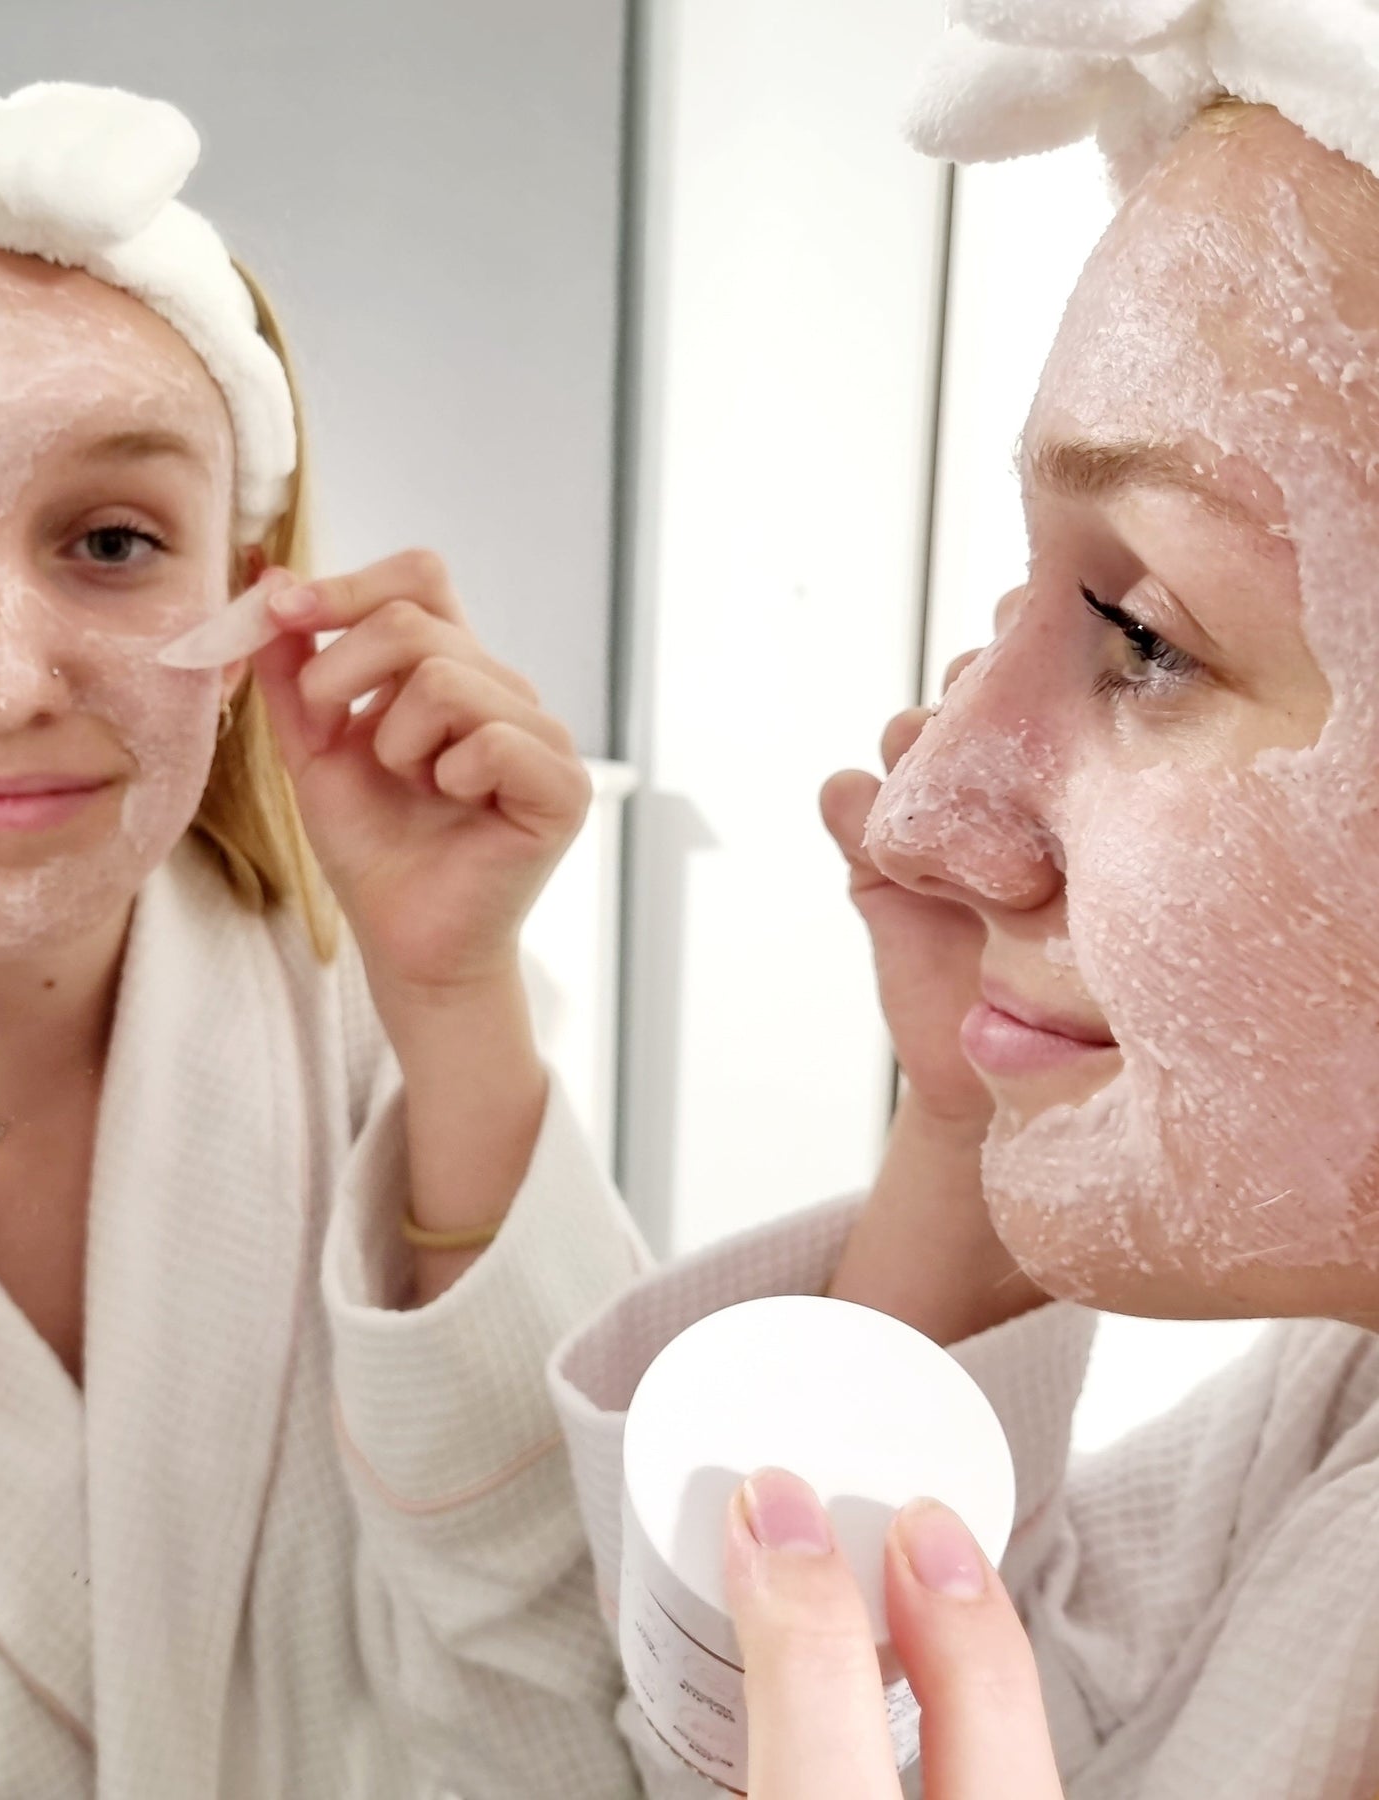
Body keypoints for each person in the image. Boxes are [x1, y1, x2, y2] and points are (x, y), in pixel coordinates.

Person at [0, 59, 654, 1800]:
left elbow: (585, 1731)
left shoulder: (380, 1034)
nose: (9, 682)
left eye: (111, 538)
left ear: (244, 604)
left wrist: (457, 1010)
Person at [549, 5, 1379, 1797]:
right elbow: (977, 1714)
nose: (923, 810)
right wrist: (964, 1126)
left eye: (1146, 637)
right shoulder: (1349, 1416)